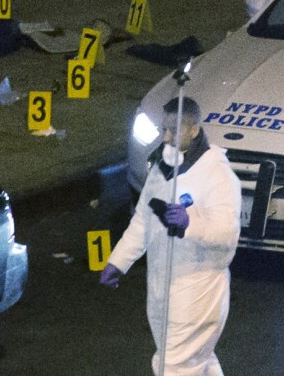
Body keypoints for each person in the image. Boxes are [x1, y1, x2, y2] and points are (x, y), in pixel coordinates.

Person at [99, 97, 241, 375]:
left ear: (194, 130)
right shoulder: (161, 168)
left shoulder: (217, 175)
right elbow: (143, 220)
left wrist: (191, 224)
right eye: (163, 130)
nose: (165, 138)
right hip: (161, 287)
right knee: (196, 361)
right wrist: (118, 262)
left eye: (173, 131)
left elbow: (227, 233)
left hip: (198, 292)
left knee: (173, 367)